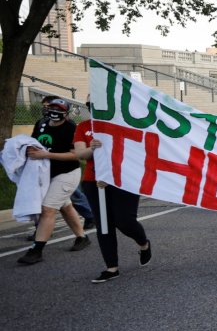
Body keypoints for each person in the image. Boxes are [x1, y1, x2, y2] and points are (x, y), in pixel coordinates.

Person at [74, 107, 152, 283]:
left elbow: (135, 152)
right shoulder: (84, 126)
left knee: (124, 221)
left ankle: (144, 244)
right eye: (89, 102)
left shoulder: (124, 124)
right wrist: (91, 148)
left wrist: (111, 175)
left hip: (123, 179)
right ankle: (112, 267)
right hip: (93, 181)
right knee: (104, 224)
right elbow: (80, 154)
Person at [17, 98, 90, 264]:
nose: (54, 111)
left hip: (67, 173)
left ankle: (37, 250)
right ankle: (82, 237)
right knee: (65, 206)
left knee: (48, 209)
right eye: (52, 108)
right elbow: (34, 142)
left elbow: (76, 155)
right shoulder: (41, 123)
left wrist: (47, 155)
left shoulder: (71, 128)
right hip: (45, 174)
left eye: (58, 109)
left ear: (66, 113)